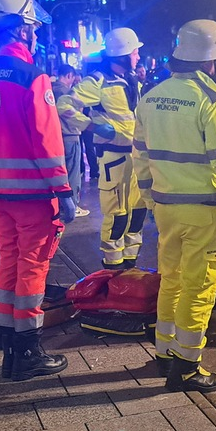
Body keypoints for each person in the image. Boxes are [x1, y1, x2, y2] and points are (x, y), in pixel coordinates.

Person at [134, 19, 216, 393]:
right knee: (199, 288)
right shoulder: (211, 101)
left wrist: (151, 200)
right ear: (211, 60)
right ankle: (187, 367)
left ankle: (165, 354)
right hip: (204, 211)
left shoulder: (151, 97)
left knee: (171, 280)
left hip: (166, 209)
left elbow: (140, 158)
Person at [0, 0, 76, 381]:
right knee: (33, 266)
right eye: (32, 28)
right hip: (33, 191)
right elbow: (47, 142)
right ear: (21, 30)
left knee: (9, 263)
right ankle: (28, 351)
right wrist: (63, 191)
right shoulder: (33, 77)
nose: (35, 36)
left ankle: (10, 350)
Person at [70, 28, 145, 269]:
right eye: (135, 52)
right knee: (117, 214)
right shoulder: (97, 81)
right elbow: (65, 106)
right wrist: (92, 126)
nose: (138, 57)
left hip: (135, 156)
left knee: (137, 211)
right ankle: (112, 268)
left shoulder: (131, 80)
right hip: (113, 156)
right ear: (123, 55)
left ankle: (131, 263)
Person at [52, 64, 93, 217]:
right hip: (70, 135)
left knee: (60, 173)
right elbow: (76, 113)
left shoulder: (49, 89)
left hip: (56, 137)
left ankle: (60, 204)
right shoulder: (66, 93)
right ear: (69, 75)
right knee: (72, 173)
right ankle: (73, 205)